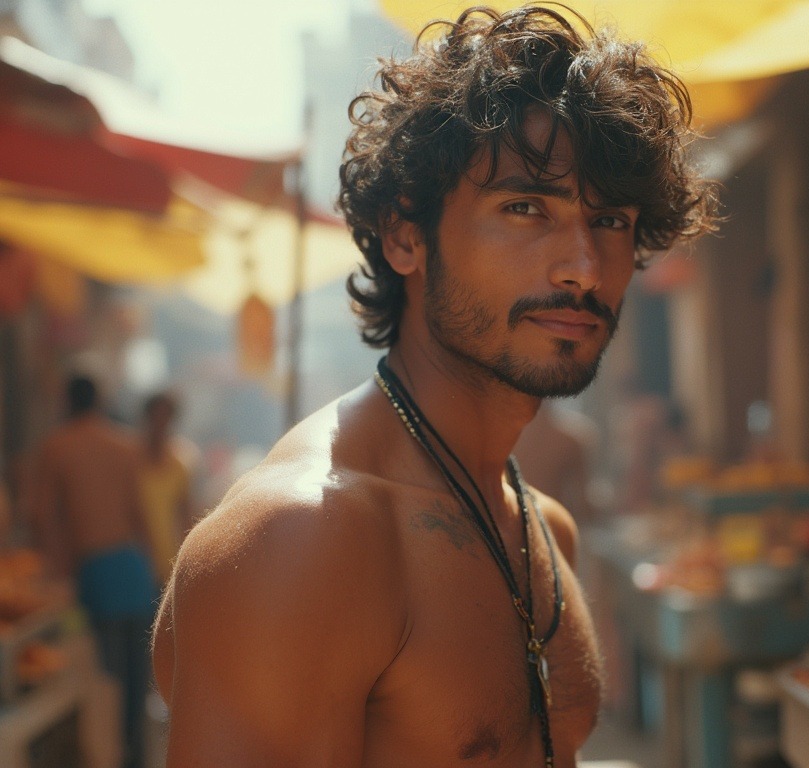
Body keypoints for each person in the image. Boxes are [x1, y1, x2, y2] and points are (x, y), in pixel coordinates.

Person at [152, 6, 715, 767]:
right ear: (404, 234)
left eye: (610, 219)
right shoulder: (303, 541)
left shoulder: (545, 527)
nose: (583, 264)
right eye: (525, 208)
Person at [33, 374, 157, 768]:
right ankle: (136, 759)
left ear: (67, 402)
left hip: (94, 571)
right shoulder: (125, 446)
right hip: (134, 568)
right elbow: (140, 517)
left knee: (103, 686)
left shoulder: (56, 448)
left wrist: (57, 575)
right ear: (99, 400)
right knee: (137, 687)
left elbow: (42, 518)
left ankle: (109, 758)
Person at [138, 391, 195, 584]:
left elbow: (186, 516)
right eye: (156, 416)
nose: (160, 423)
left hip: (168, 560)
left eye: (165, 417)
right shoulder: (130, 462)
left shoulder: (179, 466)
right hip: (137, 559)